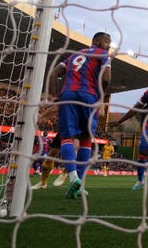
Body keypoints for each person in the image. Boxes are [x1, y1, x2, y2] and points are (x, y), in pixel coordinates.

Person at [48, 31, 112, 199]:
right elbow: (106, 79)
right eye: (107, 43)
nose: (109, 46)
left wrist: (54, 95)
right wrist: (100, 96)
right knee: (86, 139)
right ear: (97, 41)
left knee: (67, 138)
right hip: (89, 96)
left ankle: (73, 179)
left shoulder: (74, 55)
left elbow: (54, 73)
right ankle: (79, 182)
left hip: (68, 95)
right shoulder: (103, 54)